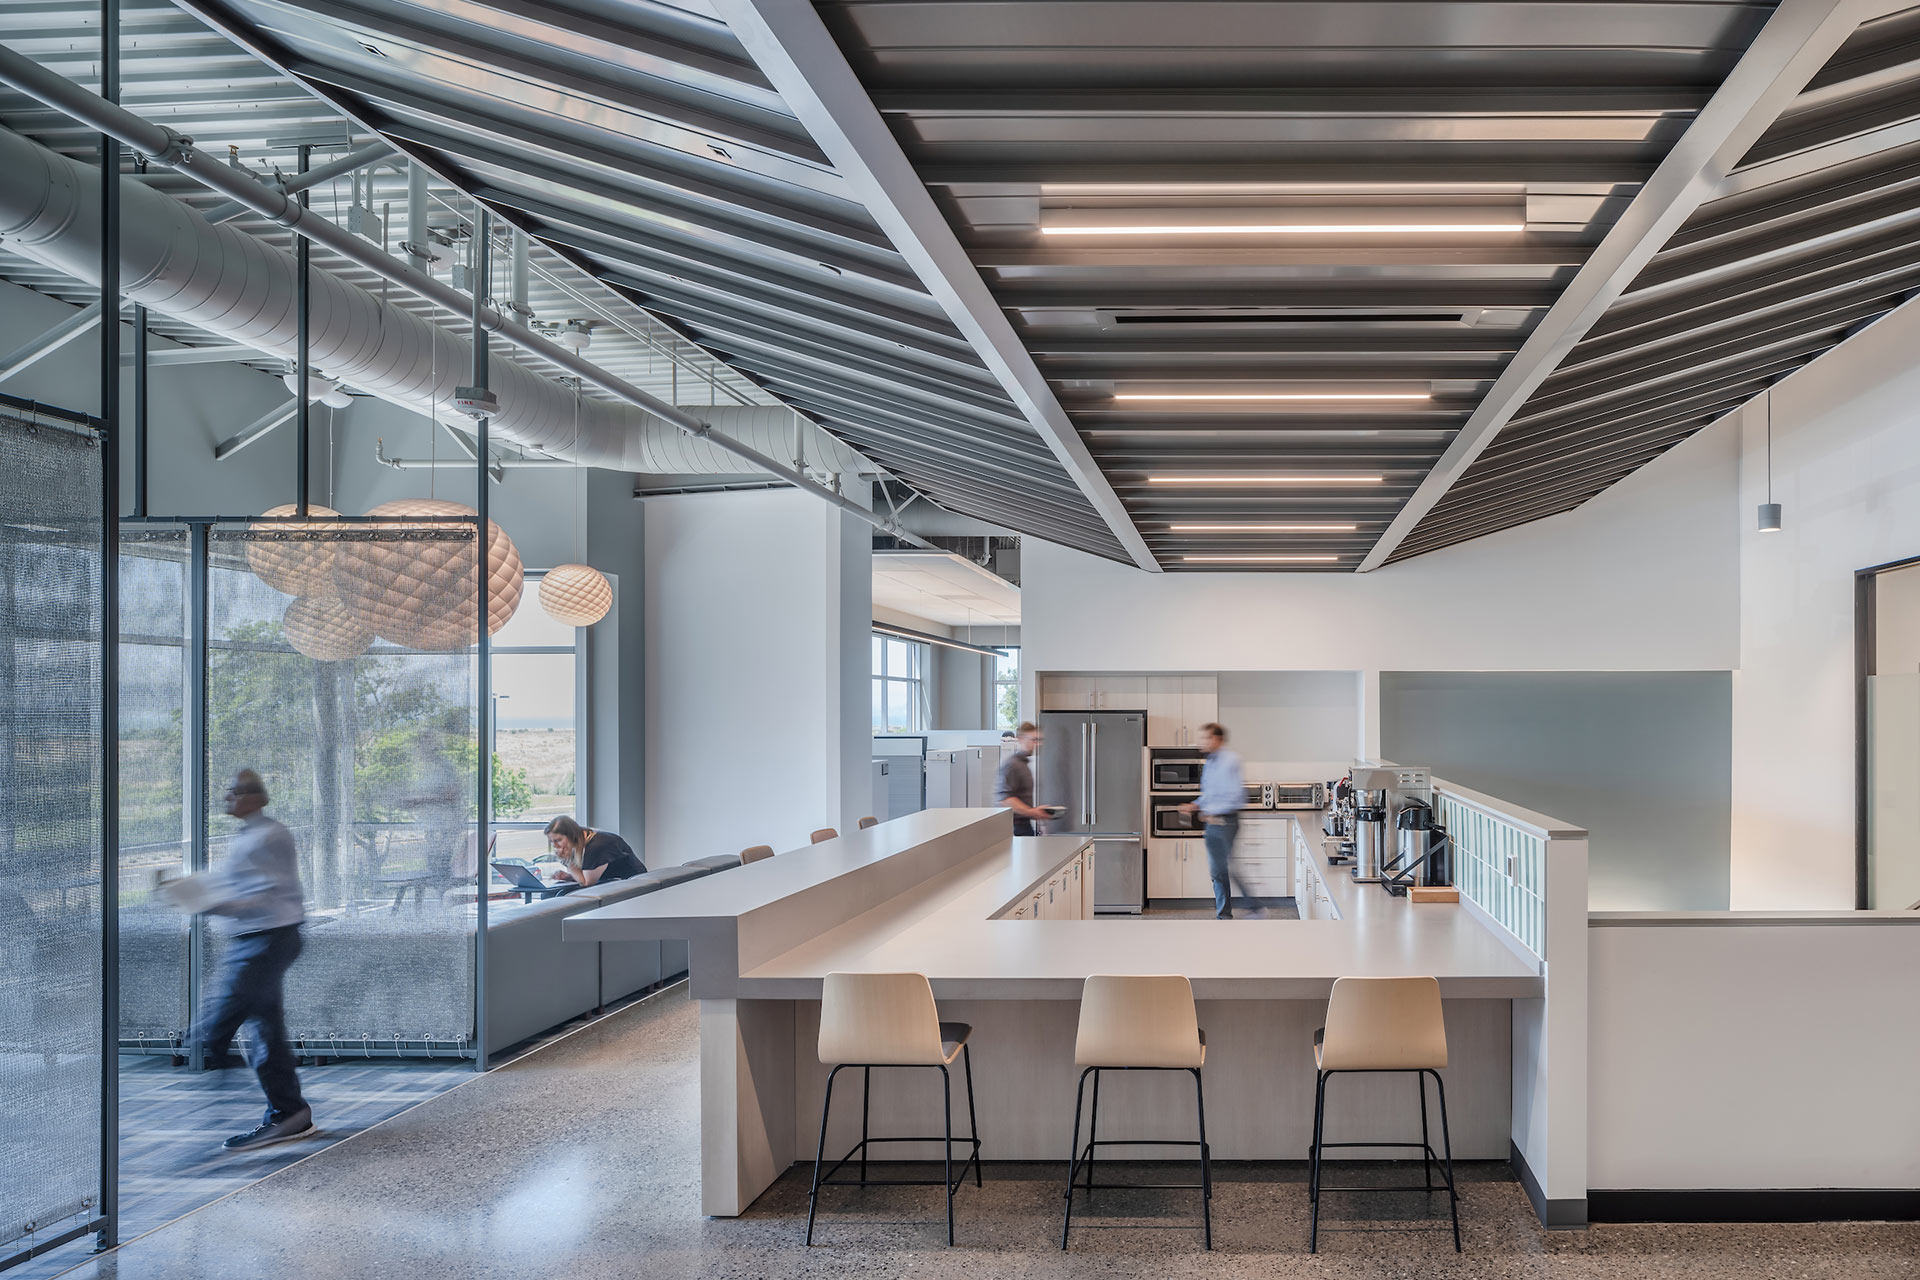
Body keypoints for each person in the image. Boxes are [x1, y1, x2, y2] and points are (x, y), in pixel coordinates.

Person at [191, 769, 315, 1150]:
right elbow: (246, 888)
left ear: (257, 797)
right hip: (257, 939)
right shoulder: (250, 835)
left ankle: (280, 1108)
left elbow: (263, 896)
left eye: (235, 792)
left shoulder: (268, 836)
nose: (227, 798)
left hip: (268, 939)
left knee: (218, 1023)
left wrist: (212, 904)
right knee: (264, 1026)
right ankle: (289, 1114)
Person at [1181, 723, 1255, 920]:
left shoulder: (1230, 760)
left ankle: (1253, 907)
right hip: (1213, 822)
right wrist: (1195, 805)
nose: (1202, 742)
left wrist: (1212, 812)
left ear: (1217, 739)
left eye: (1206, 738)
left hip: (1225, 821)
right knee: (1218, 870)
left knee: (1224, 868)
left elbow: (1236, 795)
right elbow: (1209, 794)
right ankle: (1225, 915)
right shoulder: (1211, 762)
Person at [546, 816, 645, 887]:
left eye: (558, 840)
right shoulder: (585, 839)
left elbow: (587, 883)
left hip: (632, 886)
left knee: (558, 895)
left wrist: (569, 860)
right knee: (552, 894)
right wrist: (569, 876)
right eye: (552, 841)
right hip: (612, 882)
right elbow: (588, 876)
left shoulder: (597, 846)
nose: (555, 846)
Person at [995, 721, 1052, 836]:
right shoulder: (1013, 765)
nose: (1037, 744)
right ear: (1021, 739)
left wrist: (1035, 810)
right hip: (1015, 828)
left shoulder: (1023, 764)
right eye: (1034, 739)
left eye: (1039, 740)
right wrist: (1032, 812)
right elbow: (1006, 799)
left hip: (1024, 825)